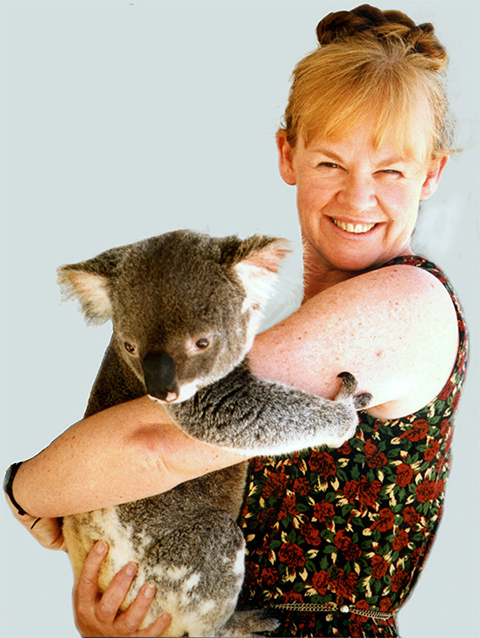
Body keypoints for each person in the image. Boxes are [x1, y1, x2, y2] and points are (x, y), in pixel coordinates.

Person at [4, 4, 468, 637]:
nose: (360, 198)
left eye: (390, 171)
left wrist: (25, 492)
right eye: (331, 163)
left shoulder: (405, 305)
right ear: (287, 155)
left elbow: (156, 444)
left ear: (432, 173)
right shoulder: (266, 320)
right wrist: (142, 617)